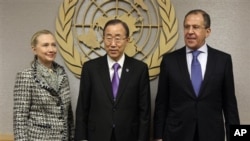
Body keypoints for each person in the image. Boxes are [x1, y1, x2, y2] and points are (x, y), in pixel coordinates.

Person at [153, 9, 240, 141]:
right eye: (186, 27)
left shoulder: (223, 60)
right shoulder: (169, 61)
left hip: (212, 134)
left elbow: (230, 106)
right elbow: (161, 103)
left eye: (196, 27)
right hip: (176, 134)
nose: (190, 32)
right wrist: (158, 137)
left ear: (208, 32)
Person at [75, 19, 151, 141]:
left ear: (127, 40)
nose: (113, 44)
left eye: (118, 38)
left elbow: (144, 112)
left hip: (128, 136)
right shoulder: (90, 68)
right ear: (103, 39)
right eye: (108, 38)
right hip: (97, 135)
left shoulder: (139, 69)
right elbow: (82, 107)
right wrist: (81, 138)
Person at [13, 29, 74, 141]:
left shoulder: (62, 74)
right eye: (45, 45)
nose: (51, 49)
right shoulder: (26, 76)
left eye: (53, 45)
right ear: (34, 49)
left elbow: (68, 114)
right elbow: (20, 119)